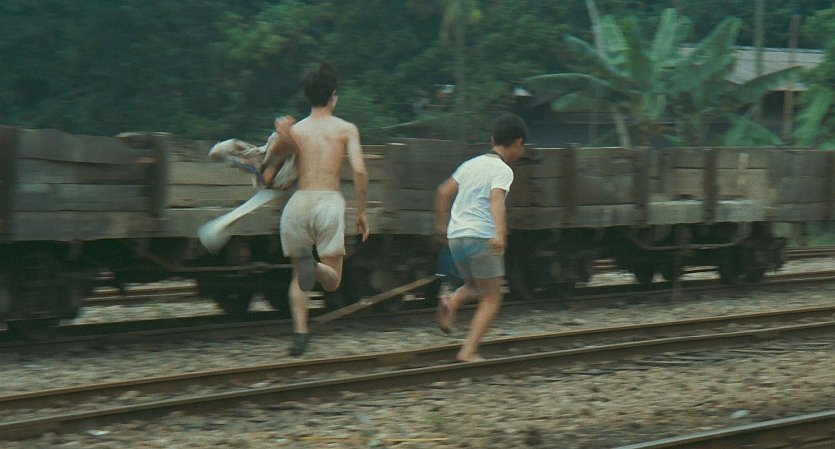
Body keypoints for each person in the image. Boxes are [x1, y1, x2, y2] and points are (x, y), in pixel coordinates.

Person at [265, 62, 370, 356]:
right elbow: (359, 170)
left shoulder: (295, 131)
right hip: (328, 203)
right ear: (333, 95)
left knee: (299, 275)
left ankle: (300, 335)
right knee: (333, 280)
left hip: (298, 205)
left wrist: (281, 137)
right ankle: (313, 266)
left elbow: (269, 176)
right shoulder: (346, 129)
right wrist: (362, 212)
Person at [434, 113, 528, 362]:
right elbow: (496, 199)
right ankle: (468, 350)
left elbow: (443, 192)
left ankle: (451, 301)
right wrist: (499, 234)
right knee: (492, 296)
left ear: (492, 139)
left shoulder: (470, 165)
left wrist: (442, 227)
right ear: (519, 143)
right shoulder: (503, 170)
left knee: (476, 286)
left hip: (457, 238)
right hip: (481, 237)